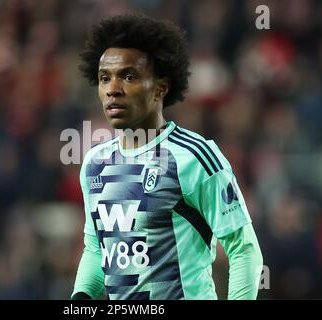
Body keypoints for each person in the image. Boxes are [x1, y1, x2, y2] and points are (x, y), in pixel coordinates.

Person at [71, 14, 263, 300]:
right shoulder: (95, 164)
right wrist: (81, 299)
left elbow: (244, 249)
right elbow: (97, 250)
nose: (113, 89)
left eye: (129, 76)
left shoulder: (194, 156)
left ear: (160, 87)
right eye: (104, 78)